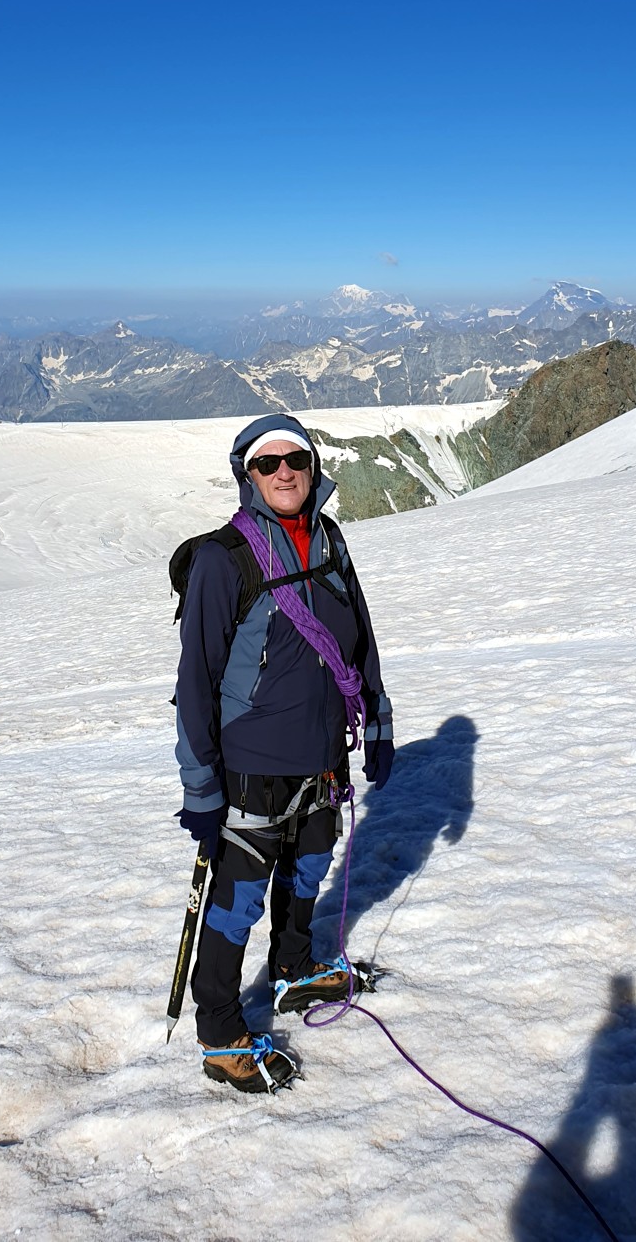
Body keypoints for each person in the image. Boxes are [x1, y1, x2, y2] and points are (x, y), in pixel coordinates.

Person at [175, 413, 394, 1093]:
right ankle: (220, 1033)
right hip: (252, 765)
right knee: (236, 901)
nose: (284, 473)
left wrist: (378, 724)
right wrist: (201, 789)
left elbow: (359, 638)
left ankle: (295, 969)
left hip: (322, 753)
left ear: (312, 465)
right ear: (247, 475)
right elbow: (195, 682)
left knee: (308, 871)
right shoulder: (224, 559)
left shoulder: (329, 540)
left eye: (294, 459)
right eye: (266, 463)